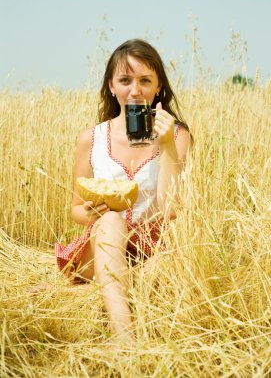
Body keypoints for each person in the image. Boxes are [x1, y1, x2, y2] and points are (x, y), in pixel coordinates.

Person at [55, 39, 192, 345]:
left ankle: (108, 289)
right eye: (125, 80)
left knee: (170, 262)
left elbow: (170, 209)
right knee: (112, 221)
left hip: (155, 251)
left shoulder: (178, 136)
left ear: (158, 87)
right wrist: (90, 213)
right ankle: (126, 340)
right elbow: (76, 210)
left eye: (145, 81)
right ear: (111, 86)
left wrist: (167, 144)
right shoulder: (90, 139)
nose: (135, 90)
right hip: (103, 242)